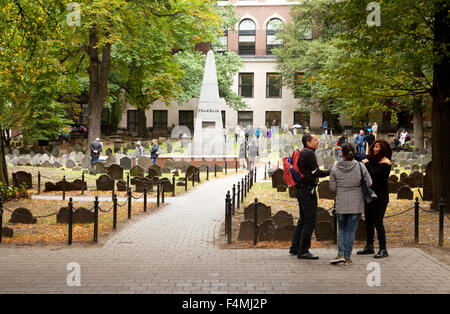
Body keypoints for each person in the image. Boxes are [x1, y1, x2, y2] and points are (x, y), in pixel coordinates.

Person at [329, 143, 372, 266]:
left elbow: (332, 188)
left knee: (341, 229)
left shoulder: (335, 168)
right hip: (356, 202)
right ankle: (347, 257)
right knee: (351, 230)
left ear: (341, 153)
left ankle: (340, 254)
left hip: (341, 201)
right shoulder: (360, 166)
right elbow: (369, 182)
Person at [290, 133, 331, 260]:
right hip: (308, 190)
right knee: (310, 221)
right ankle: (303, 251)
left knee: (303, 219)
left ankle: (295, 248)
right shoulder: (309, 153)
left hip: (301, 189)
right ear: (308, 142)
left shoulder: (303, 152)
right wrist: (332, 171)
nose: (318, 141)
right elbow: (316, 172)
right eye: (315, 140)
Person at [358, 139, 392, 258]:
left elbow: (373, 175)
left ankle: (383, 249)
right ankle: (369, 246)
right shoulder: (374, 159)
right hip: (370, 195)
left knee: (378, 222)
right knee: (368, 221)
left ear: (383, 149)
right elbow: (361, 156)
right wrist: (348, 151)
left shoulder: (386, 163)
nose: (374, 149)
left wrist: (366, 163)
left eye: (377, 147)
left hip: (381, 197)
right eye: (374, 146)